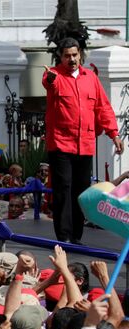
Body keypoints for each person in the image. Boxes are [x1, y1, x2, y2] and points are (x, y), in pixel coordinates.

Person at [43, 37, 124, 244]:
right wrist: (51, 79)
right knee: (63, 188)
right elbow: (48, 82)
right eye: (67, 56)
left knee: (80, 190)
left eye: (74, 55)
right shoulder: (54, 75)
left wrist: (113, 134)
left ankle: (76, 235)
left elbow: (103, 108)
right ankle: (64, 236)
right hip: (61, 143)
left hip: (85, 143)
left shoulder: (91, 78)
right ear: (60, 57)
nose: (71, 59)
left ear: (80, 54)